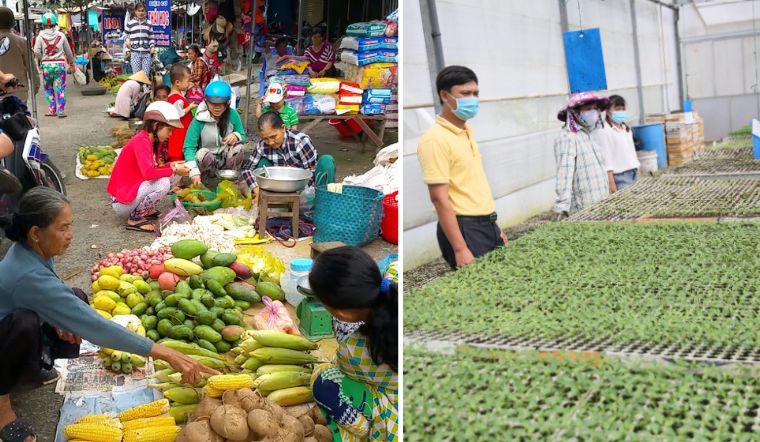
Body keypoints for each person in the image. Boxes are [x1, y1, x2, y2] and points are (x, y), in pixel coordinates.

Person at [0, 187, 218, 442]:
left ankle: (33, 365)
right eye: (62, 228)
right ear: (35, 233)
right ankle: (3, 411)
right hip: (6, 330)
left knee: (76, 298)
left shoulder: (32, 249)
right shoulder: (28, 274)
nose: (70, 236)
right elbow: (95, 326)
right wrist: (166, 353)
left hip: (12, 316)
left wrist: (56, 317)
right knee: (25, 324)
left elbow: (54, 296)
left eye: (70, 226)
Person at [417, 66, 508, 271]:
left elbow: (472, 186)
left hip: (486, 224)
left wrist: (495, 229)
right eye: (465, 93)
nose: (473, 99)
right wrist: (460, 248)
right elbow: (439, 198)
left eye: (475, 93)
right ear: (444, 95)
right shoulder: (434, 140)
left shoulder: (467, 130)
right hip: (465, 229)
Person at [308, 247, 398, 442]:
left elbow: (336, 369)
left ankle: (364, 431)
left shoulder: (353, 350)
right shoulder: (397, 275)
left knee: (324, 381)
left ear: (343, 314)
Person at [107, 102, 190, 232]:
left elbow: (155, 169)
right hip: (121, 202)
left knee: (173, 176)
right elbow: (149, 173)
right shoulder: (141, 141)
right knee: (163, 183)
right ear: (156, 125)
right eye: (169, 130)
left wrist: (173, 166)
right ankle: (135, 219)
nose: (170, 134)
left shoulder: (151, 141)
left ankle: (146, 210)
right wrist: (173, 169)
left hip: (132, 192)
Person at [241, 112, 335, 202]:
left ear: (283, 128)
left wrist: (297, 194)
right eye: (265, 138)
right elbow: (247, 169)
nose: (270, 142)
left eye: (273, 137)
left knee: (327, 161)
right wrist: (255, 188)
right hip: (277, 187)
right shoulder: (262, 146)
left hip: (303, 187)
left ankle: (325, 205)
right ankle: (269, 201)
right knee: (262, 164)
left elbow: (311, 171)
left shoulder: (300, 142)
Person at [554, 91, 611, 219]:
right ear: (575, 112)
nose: (594, 112)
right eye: (588, 109)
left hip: (601, 203)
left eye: (596, 109)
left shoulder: (592, 134)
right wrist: (562, 208)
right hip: (583, 208)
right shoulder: (567, 137)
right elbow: (564, 174)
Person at [183, 80, 245, 186]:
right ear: (206, 101)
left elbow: (243, 135)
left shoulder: (233, 115)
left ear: (228, 102)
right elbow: (188, 147)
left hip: (225, 159)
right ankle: (205, 181)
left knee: (238, 147)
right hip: (207, 161)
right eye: (213, 104)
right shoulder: (199, 119)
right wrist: (193, 171)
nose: (217, 108)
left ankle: (232, 180)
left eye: (221, 104)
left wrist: (236, 135)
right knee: (202, 153)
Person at [33, 13, 75, 118]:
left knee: (48, 88)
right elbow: (68, 51)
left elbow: (36, 51)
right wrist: (71, 62)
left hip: (47, 66)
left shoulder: (40, 37)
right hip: (60, 65)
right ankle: (61, 111)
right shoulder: (61, 35)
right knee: (60, 88)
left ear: (43, 25)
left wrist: (43, 58)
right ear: (55, 23)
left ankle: (52, 110)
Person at [594, 94, 639, 192]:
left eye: (623, 109)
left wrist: (637, 169)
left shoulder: (625, 128)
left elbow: (632, 153)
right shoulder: (605, 130)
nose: (621, 112)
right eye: (617, 109)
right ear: (608, 111)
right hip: (620, 178)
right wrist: (611, 185)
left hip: (634, 173)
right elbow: (607, 160)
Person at [0, 7, 38, 104]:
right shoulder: (21, 42)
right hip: (18, 91)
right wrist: (35, 86)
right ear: (12, 23)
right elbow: (31, 66)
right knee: (19, 118)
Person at [167, 64, 197, 162]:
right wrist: (190, 107)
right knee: (178, 150)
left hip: (182, 130)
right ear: (177, 82)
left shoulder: (177, 95)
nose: (189, 83)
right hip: (179, 131)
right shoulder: (177, 99)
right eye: (187, 81)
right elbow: (179, 114)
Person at [124, 2, 155, 75]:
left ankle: (145, 87)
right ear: (135, 12)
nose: (141, 13)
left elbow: (151, 37)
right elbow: (125, 34)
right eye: (139, 11)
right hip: (135, 53)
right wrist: (127, 39)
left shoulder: (149, 23)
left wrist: (152, 47)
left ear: (145, 12)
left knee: (145, 76)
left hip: (146, 54)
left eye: (142, 10)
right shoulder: (130, 23)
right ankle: (138, 87)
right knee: (137, 76)